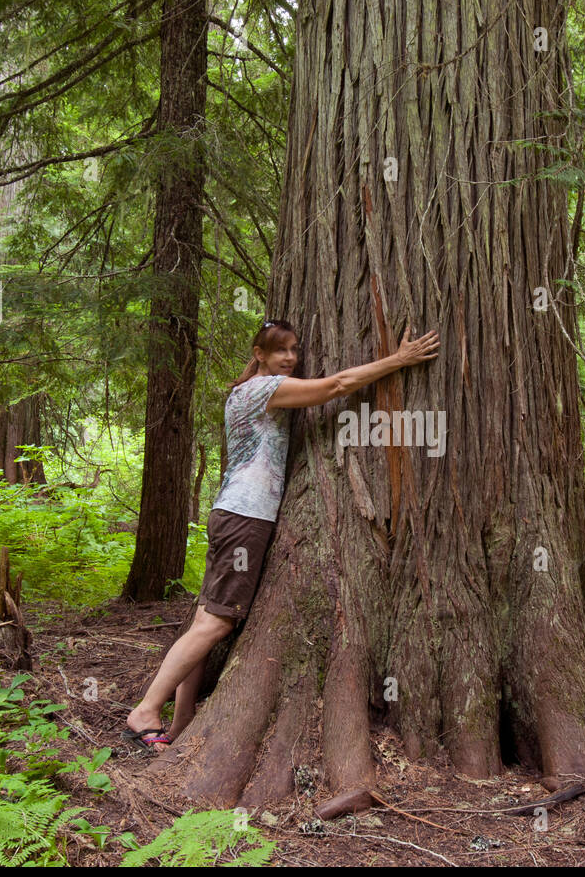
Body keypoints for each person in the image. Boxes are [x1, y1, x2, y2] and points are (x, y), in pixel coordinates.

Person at [124, 317, 440, 752]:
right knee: (216, 623)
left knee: (204, 619)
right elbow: (337, 386)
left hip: (231, 511)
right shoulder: (263, 389)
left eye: (294, 350)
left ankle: (180, 726)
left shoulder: (244, 391)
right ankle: (146, 709)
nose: (291, 358)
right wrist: (399, 359)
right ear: (260, 355)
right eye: (280, 351)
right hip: (246, 516)